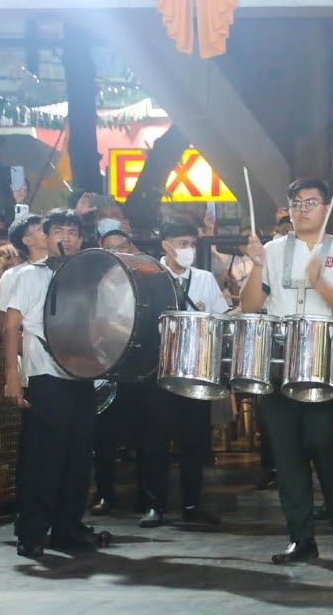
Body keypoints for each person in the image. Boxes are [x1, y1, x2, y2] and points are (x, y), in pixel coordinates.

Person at [240, 179, 333, 564]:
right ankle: (301, 538)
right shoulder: (272, 250)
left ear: (326, 208)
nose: (302, 209)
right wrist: (256, 266)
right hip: (278, 363)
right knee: (287, 454)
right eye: (296, 203)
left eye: (311, 202)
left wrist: (319, 284)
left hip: (322, 363)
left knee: (326, 446)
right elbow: (250, 305)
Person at [0, 209, 104, 557]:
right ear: (45, 236)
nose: (66, 238)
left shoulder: (87, 276)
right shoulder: (29, 276)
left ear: (82, 239)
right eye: (58, 231)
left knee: (78, 457)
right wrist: (12, 375)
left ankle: (66, 529)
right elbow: (11, 326)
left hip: (82, 375)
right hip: (45, 375)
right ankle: (30, 532)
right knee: (43, 458)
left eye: (73, 232)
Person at [137, 220, 228, 528]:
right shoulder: (148, 277)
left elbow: (221, 316)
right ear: (166, 245)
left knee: (195, 440)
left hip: (194, 370)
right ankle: (154, 505)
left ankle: (192, 504)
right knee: (154, 440)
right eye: (182, 244)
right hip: (158, 369)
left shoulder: (204, 279)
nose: (189, 249)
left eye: (192, 244)